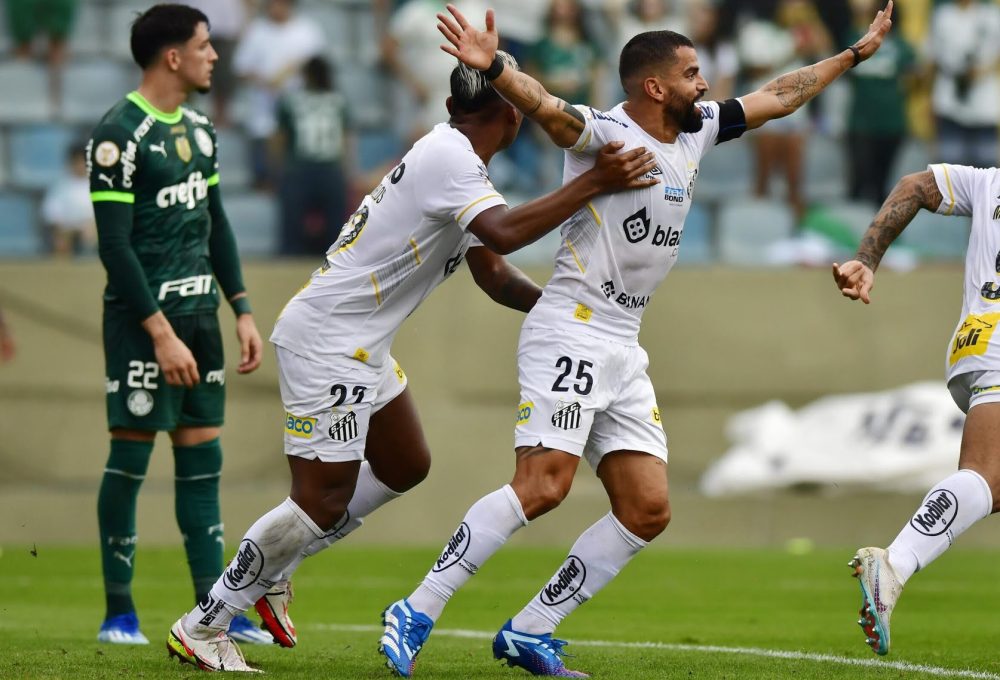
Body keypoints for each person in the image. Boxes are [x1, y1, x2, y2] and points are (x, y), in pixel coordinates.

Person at [376, 3, 894, 677]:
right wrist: (499, 68)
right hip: (572, 327)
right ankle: (416, 607)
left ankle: (531, 629)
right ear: (654, 86)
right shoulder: (603, 134)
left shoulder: (698, 129)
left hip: (623, 341)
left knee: (647, 509)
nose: (703, 85)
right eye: (691, 73)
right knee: (542, 486)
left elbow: (779, 96)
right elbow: (546, 107)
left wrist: (852, 54)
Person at [164, 53, 658, 672]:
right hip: (329, 341)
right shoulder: (450, 160)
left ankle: (271, 571)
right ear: (513, 116)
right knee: (319, 499)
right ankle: (206, 621)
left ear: (453, 107)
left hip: (360, 343)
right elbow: (503, 236)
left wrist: (566, 313)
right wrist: (593, 181)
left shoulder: (458, 163)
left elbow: (495, 275)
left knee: (404, 463)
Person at [88, 4, 266, 647]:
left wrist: (241, 308)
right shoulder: (119, 135)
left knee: (202, 461)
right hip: (144, 325)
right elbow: (115, 248)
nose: (214, 55)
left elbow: (216, 223)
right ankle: (119, 614)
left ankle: (208, 612)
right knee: (131, 457)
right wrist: (159, 332)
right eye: (204, 45)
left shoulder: (200, 128)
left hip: (202, 318)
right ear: (172, 57)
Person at [833, 164, 1000, 656]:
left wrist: (867, 258)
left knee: (993, 483)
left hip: (977, 337)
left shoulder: (989, 179)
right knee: (987, 476)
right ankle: (895, 564)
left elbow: (915, 186)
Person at [275, 56, 353, 255]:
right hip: (330, 169)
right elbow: (346, 140)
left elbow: (279, 139)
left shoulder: (291, 100)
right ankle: (334, 262)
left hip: (299, 169)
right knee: (336, 229)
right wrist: (347, 171)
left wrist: (277, 169)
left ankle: (288, 261)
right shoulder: (338, 101)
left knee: (292, 227)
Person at [42, 144, 96, 257]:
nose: (80, 165)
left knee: (91, 234)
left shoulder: (98, 184)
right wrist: (60, 231)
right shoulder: (60, 185)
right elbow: (51, 214)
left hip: (91, 228)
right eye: (76, 162)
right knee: (61, 241)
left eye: (82, 162)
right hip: (67, 229)